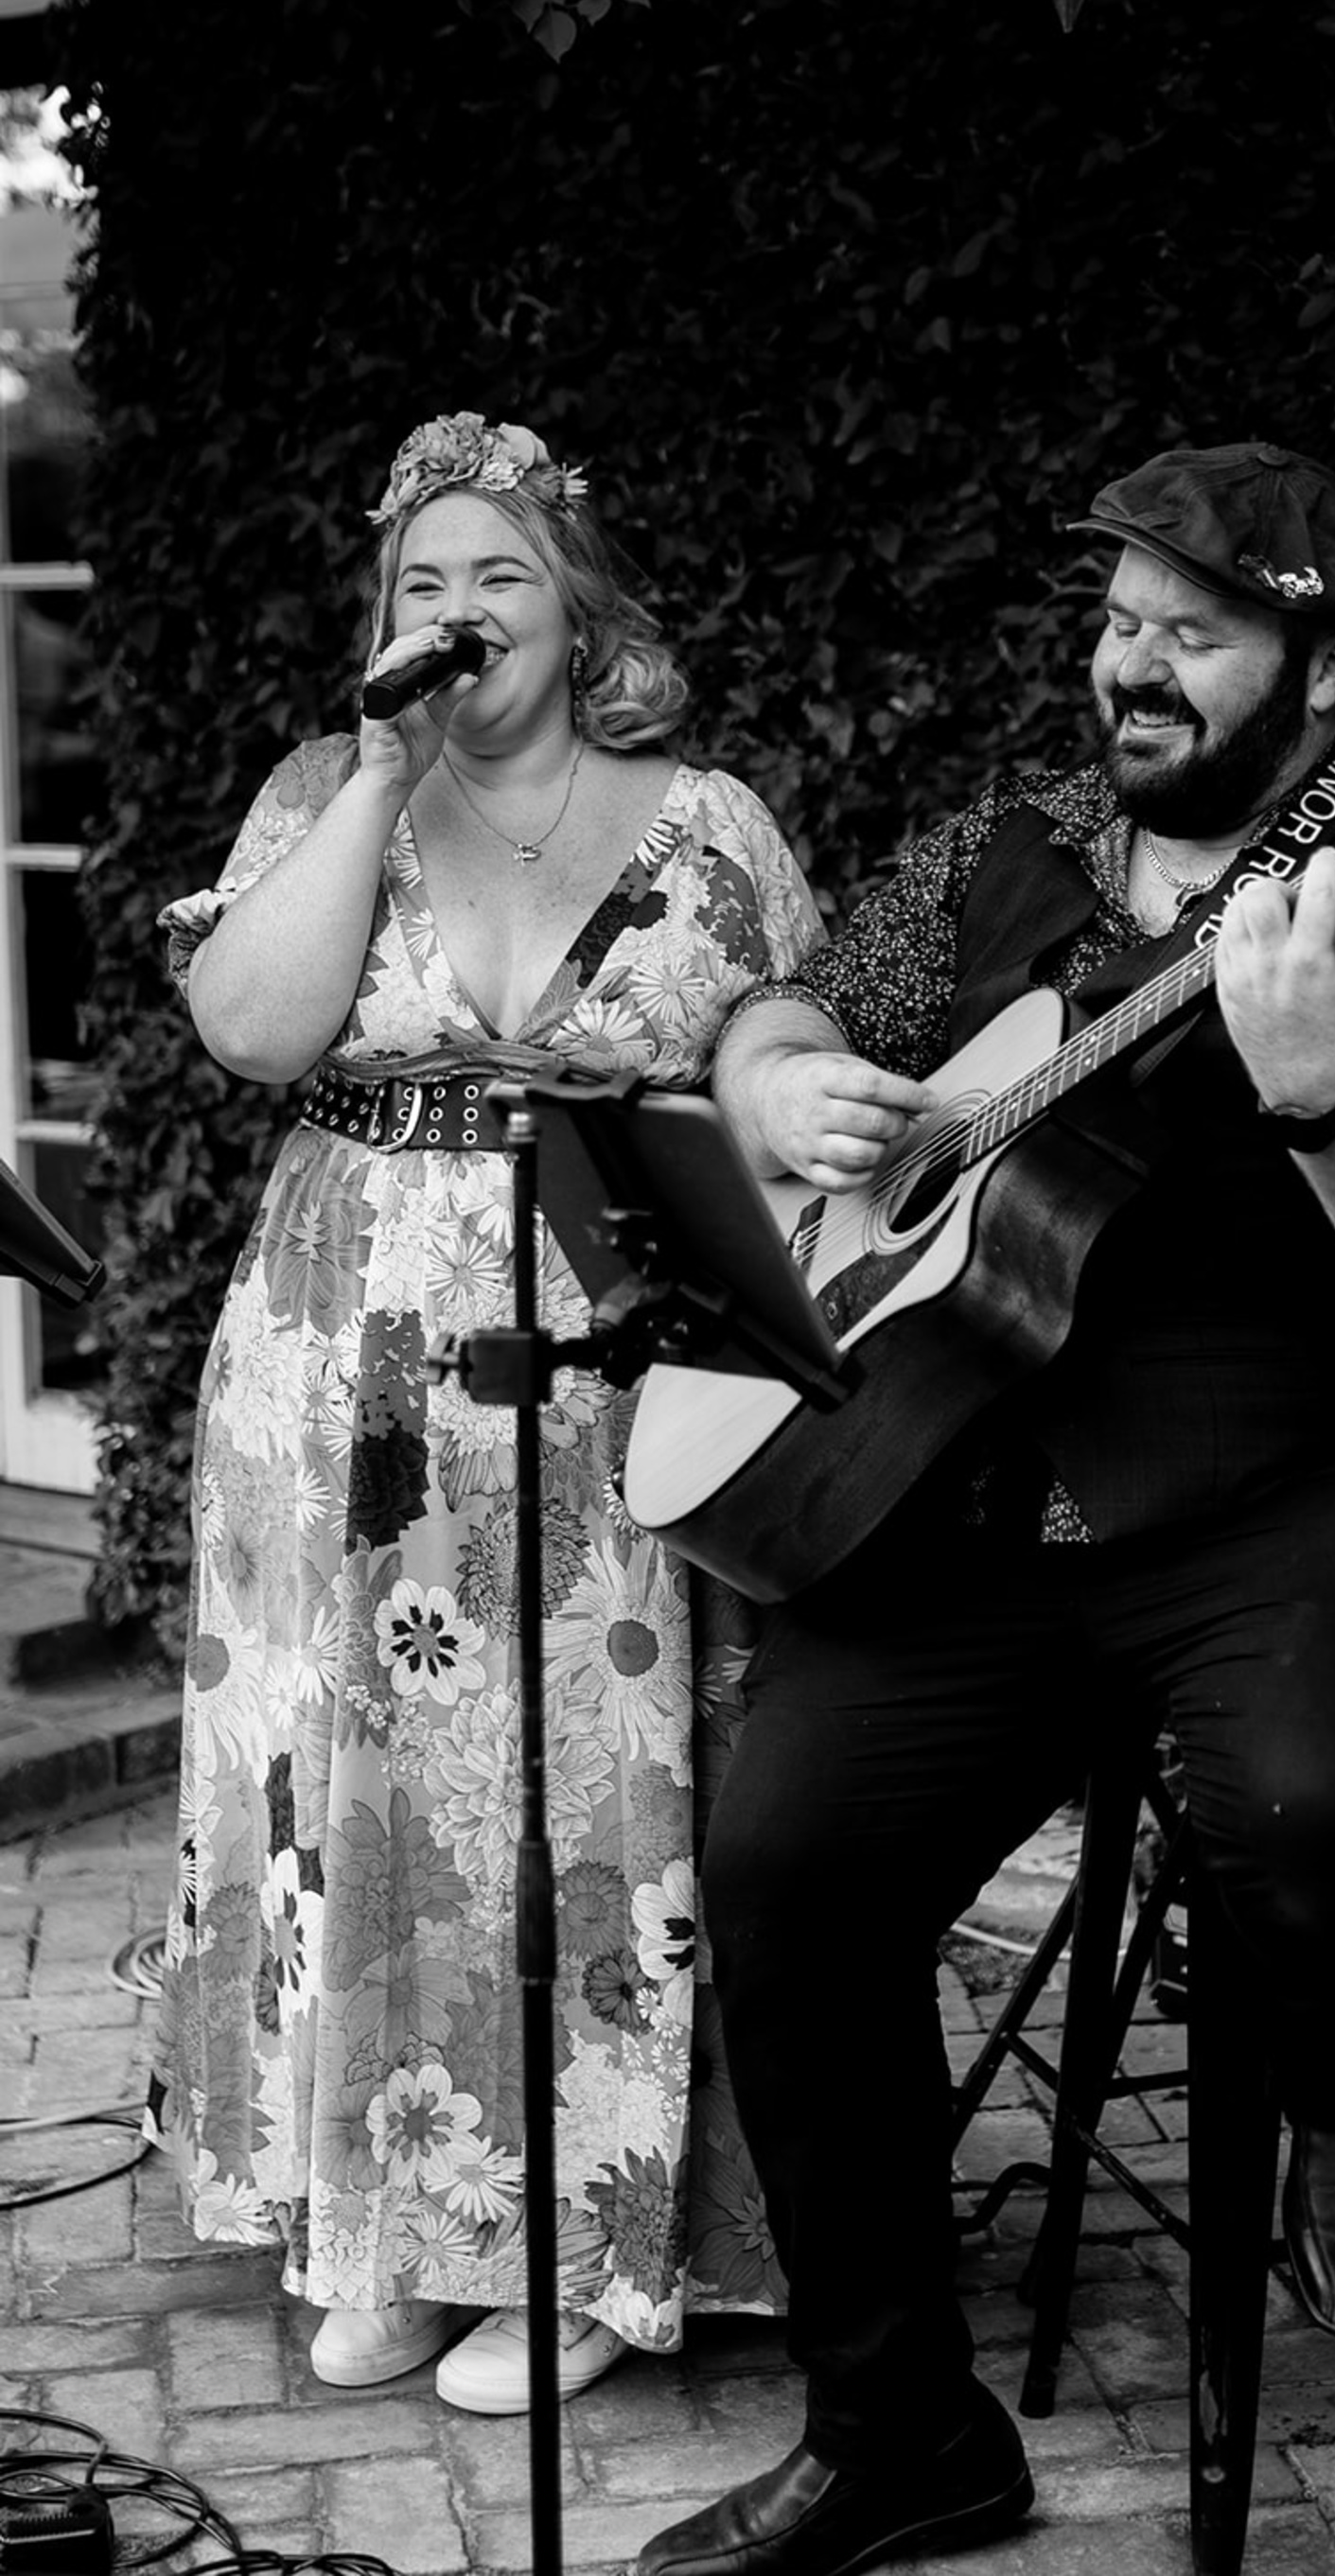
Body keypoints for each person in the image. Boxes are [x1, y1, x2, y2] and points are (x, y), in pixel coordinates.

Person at [635, 440, 1335, 2576]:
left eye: (1195, 633)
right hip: (977, 1495)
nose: (1131, 669)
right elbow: (793, 1008)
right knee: (785, 1863)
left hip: (1303, 1478)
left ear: (1329, 671)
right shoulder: (1022, 841)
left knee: (1333, 1812)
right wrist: (780, 1077)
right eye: (1119, 623)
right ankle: (902, 2433)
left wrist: (1330, 1098)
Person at [147, 412, 819, 2416]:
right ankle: (384, 2225)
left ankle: (583, 2242)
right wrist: (376, 773)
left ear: (577, 611)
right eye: (420, 581)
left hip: (619, 1359)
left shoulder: (712, 823)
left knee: (583, 1793)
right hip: (339, 1372)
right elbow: (251, 1028)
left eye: (498, 573)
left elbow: (793, 1059)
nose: (456, 609)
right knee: (356, 1792)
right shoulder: (320, 793)